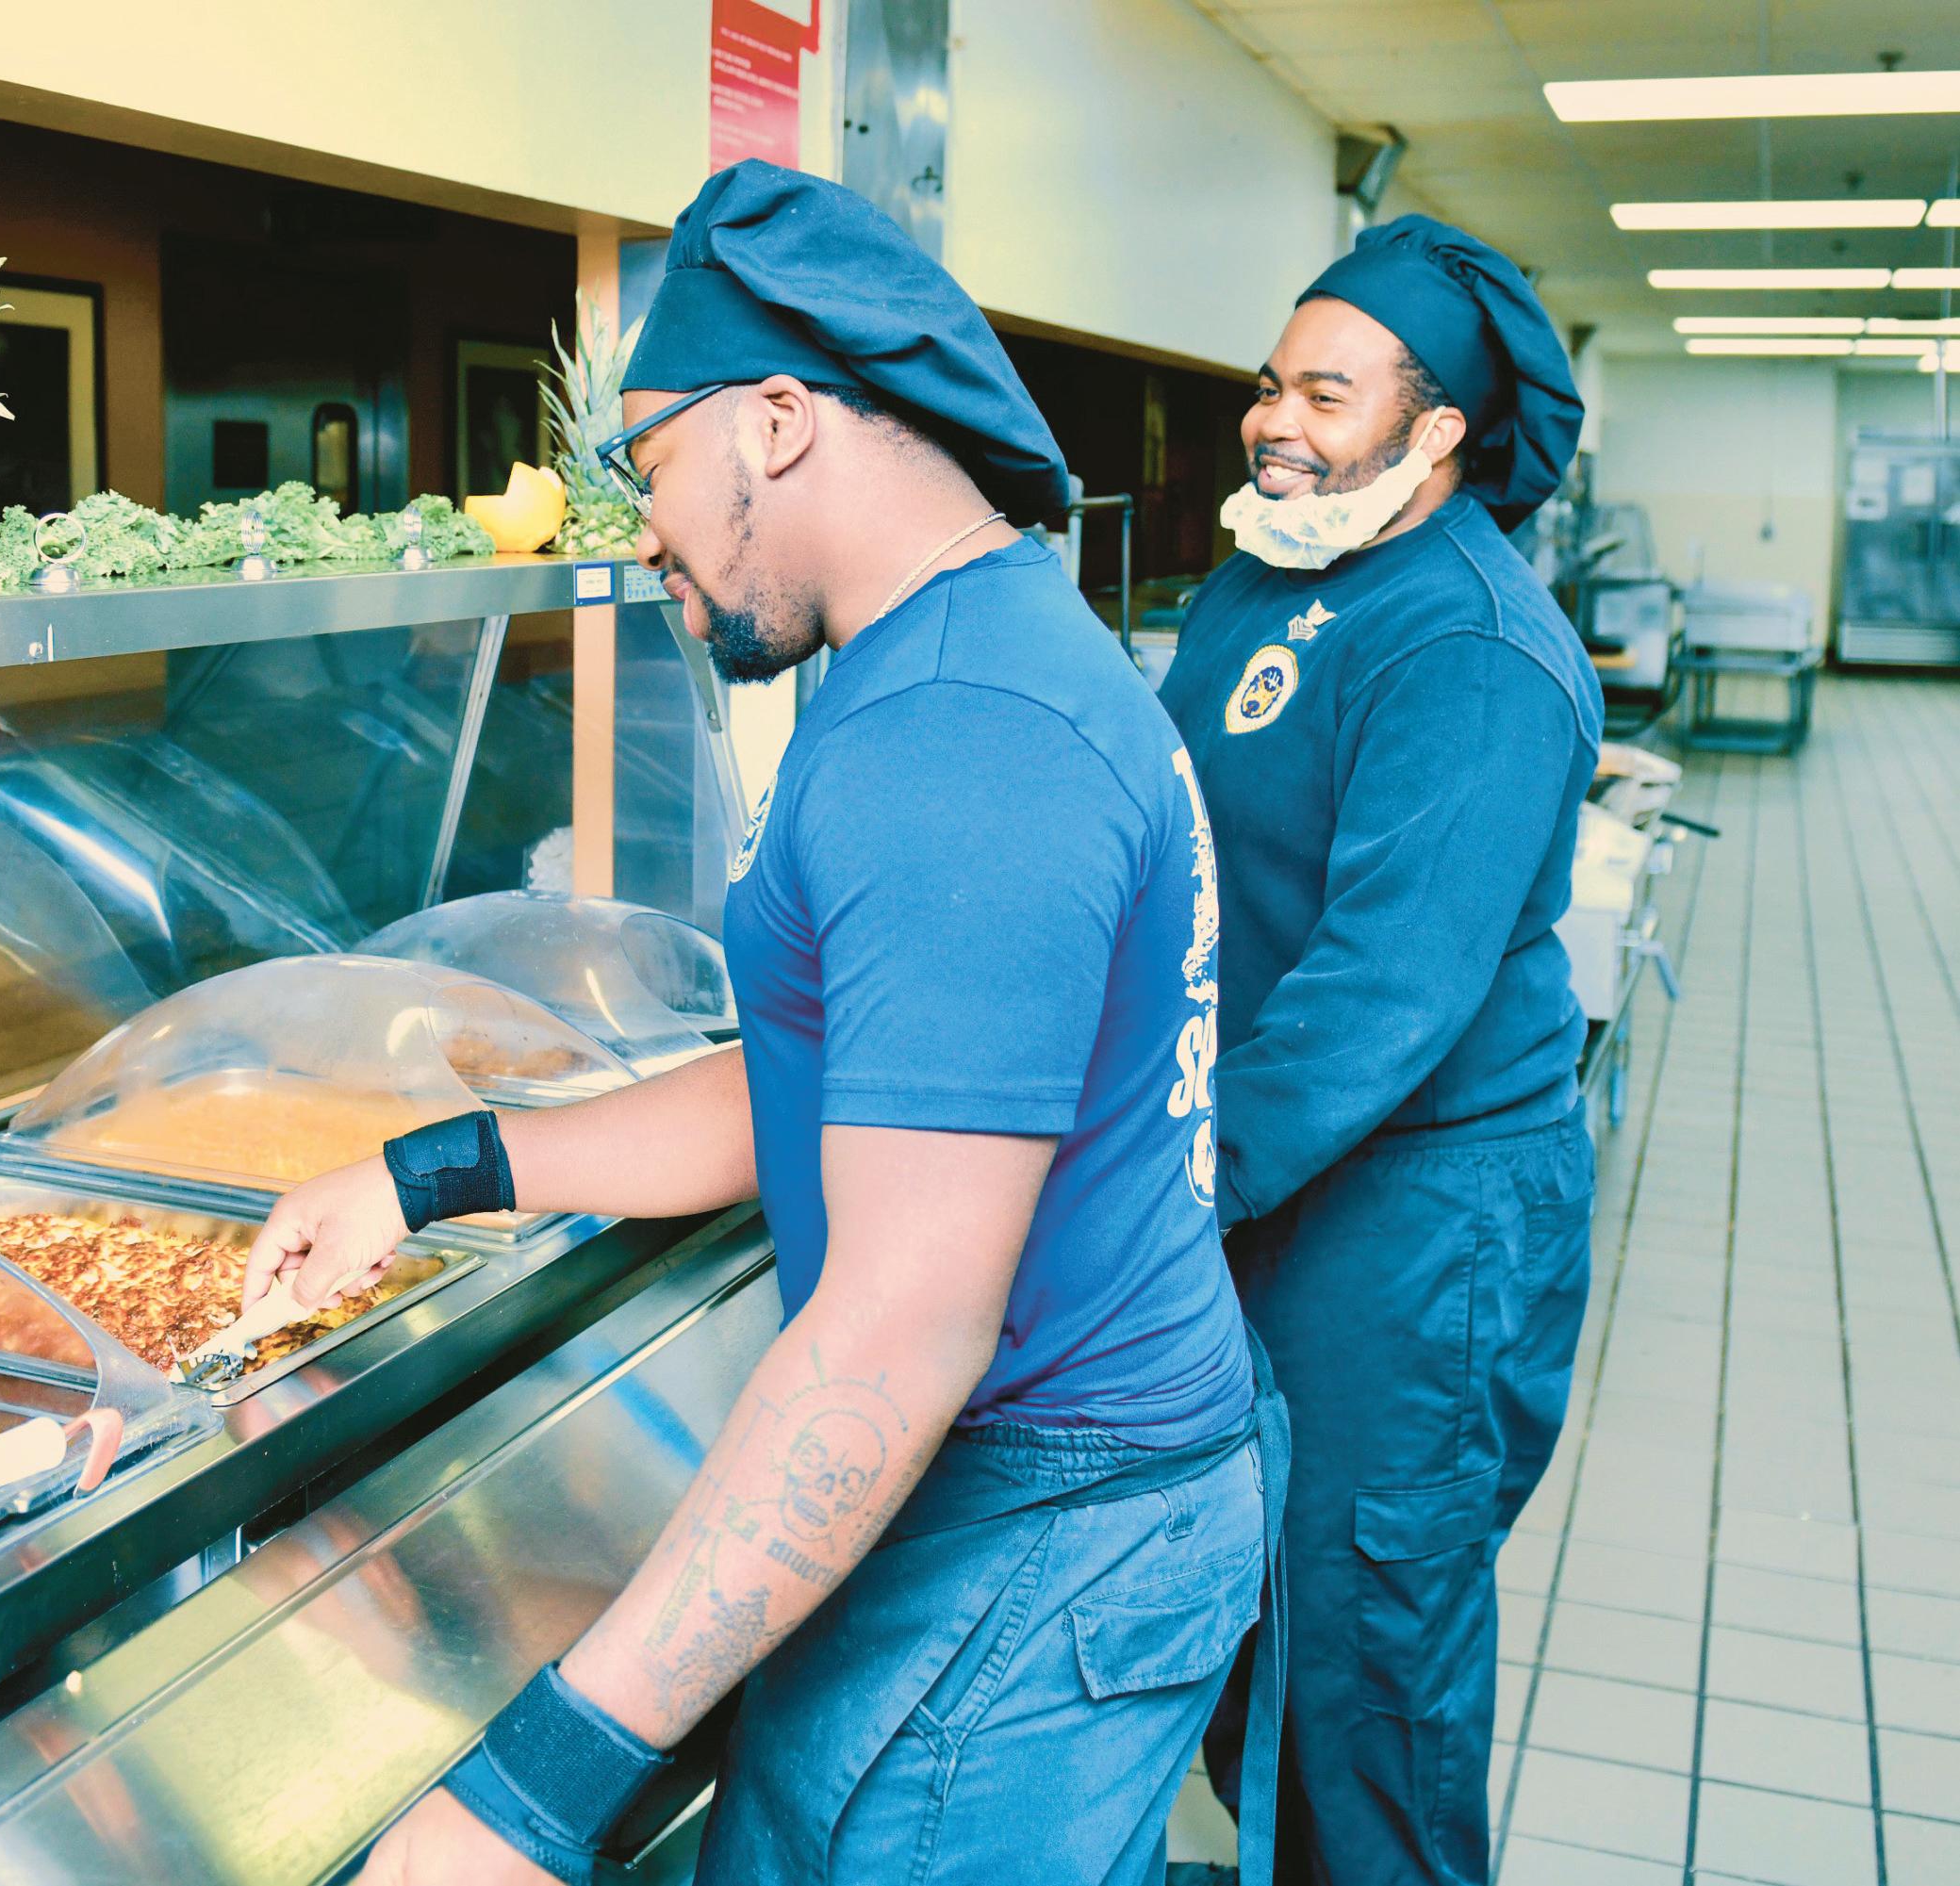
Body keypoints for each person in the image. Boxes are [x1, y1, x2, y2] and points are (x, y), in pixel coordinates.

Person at [247, 159, 1285, 1886]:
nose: (640, 530)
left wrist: (533, 1788)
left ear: (779, 422)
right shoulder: (954, 654)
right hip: (1055, 1502)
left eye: (649, 465)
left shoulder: (955, 735)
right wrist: (433, 1172)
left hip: (1033, 1532)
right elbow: (825, 1084)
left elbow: (894, 1333)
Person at [1159, 215, 1602, 1886]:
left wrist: (1160, 1189)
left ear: (1436, 433)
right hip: (1270, 1169)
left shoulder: (1469, 645)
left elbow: (1379, 994)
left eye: (1323, 395)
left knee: (1360, 1672)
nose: (1273, 422)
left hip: (1416, 1225)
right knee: (1251, 1629)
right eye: (1269, 384)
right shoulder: (1257, 581)